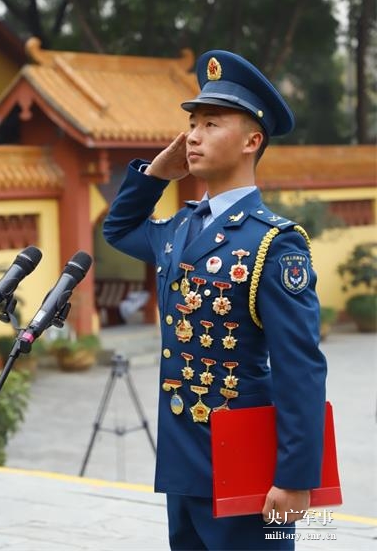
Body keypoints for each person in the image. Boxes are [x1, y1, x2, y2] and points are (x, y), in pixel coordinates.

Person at [103, 49, 327, 550]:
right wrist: (158, 172)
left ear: (252, 140)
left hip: (247, 466)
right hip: (184, 461)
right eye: (192, 124)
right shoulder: (180, 226)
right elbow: (117, 229)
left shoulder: (275, 243)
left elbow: (300, 367)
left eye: (211, 123)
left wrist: (295, 478)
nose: (193, 136)